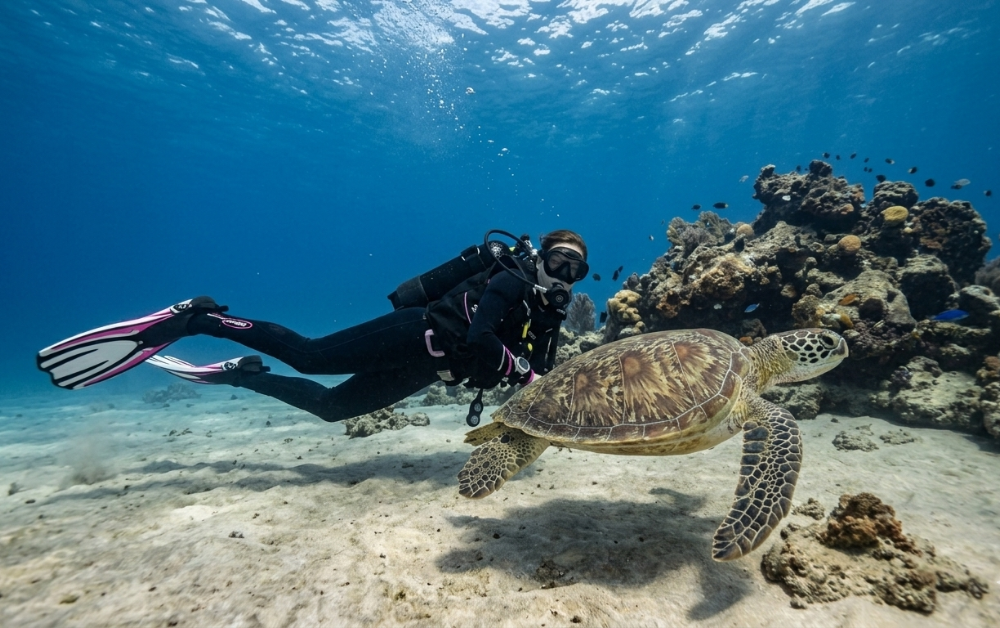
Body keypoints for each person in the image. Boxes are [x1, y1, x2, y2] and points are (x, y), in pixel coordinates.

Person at [37, 230, 589, 423]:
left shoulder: (549, 315)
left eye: (576, 270)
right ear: (540, 256)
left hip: (428, 372)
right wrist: (521, 373)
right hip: (417, 333)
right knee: (310, 355)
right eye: (560, 260)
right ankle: (200, 319)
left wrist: (541, 386)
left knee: (331, 409)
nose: (565, 275)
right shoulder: (511, 280)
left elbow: (540, 374)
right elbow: (481, 336)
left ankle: (243, 375)